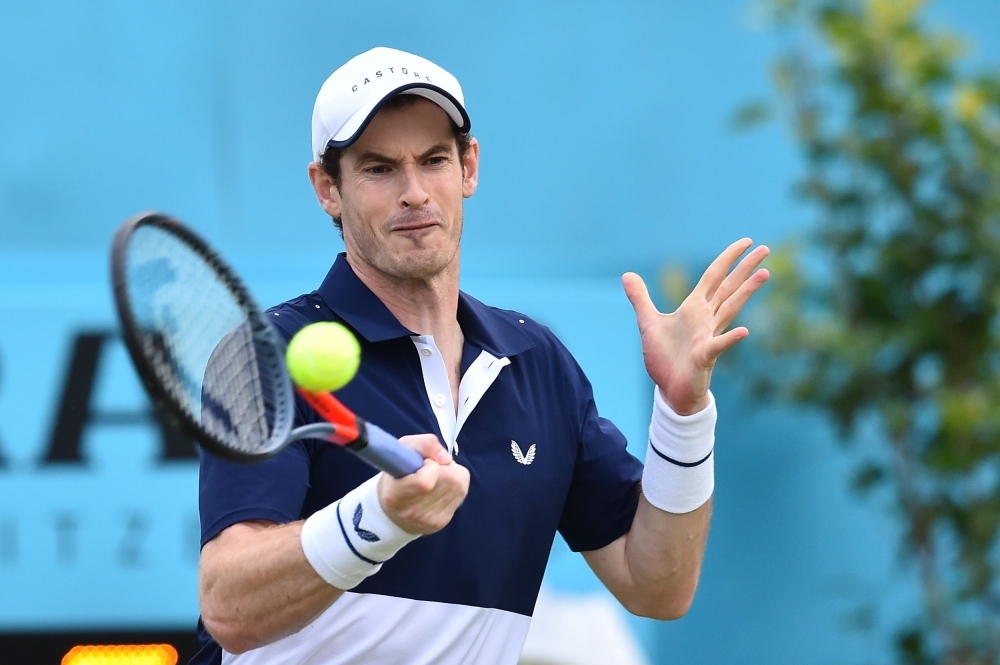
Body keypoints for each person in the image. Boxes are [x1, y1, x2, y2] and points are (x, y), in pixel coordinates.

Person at [190, 46, 769, 665]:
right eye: (380, 169)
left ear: (468, 167)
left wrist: (683, 414)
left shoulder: (537, 361)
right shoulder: (267, 355)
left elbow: (658, 585)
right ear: (328, 188)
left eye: (434, 160)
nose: (414, 193)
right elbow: (229, 606)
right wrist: (378, 517)